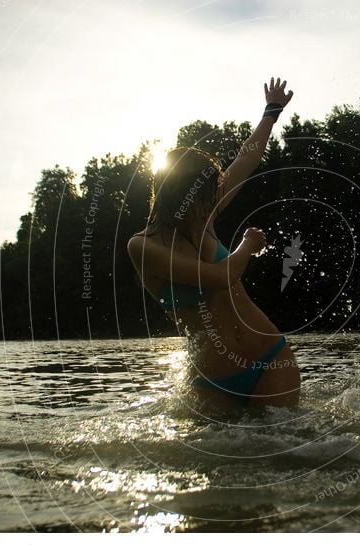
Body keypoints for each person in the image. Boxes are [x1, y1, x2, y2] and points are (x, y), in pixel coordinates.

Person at [127, 77, 300, 408]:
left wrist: (271, 112)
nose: (214, 203)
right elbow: (221, 277)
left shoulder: (202, 214)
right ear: (179, 195)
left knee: (289, 453)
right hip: (212, 380)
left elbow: (246, 161)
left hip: (270, 360)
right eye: (206, 195)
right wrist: (247, 245)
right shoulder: (144, 247)